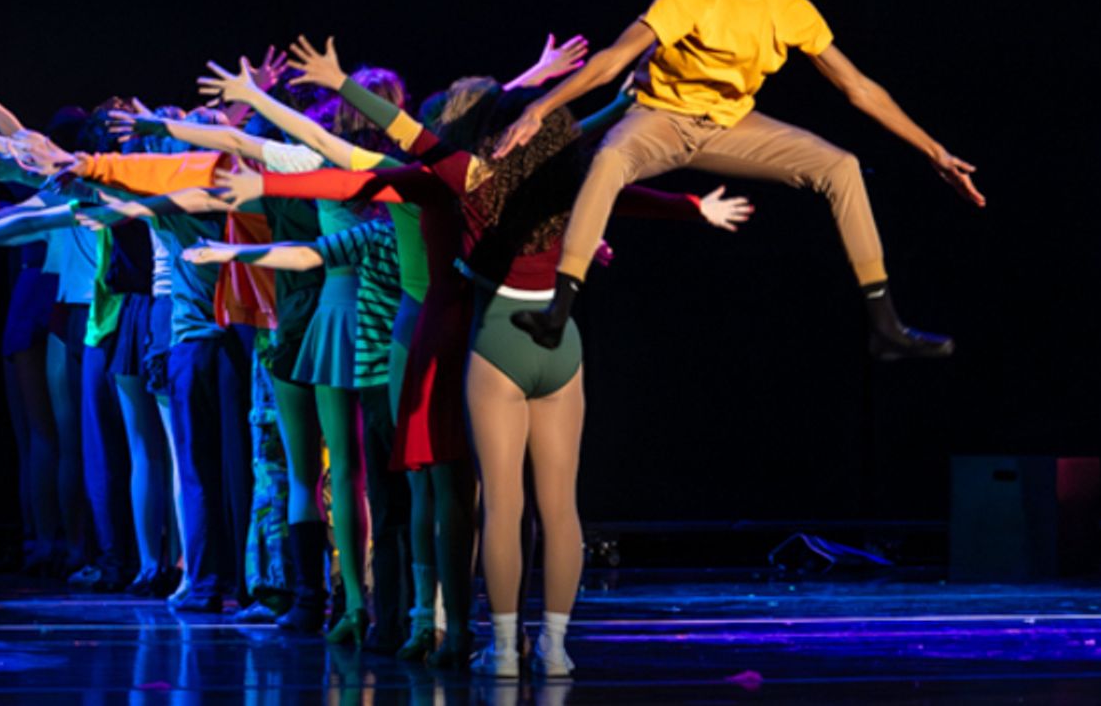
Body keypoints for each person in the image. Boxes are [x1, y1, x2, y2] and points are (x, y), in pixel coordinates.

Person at [218, 62, 751, 678]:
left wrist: (329, 97)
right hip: (560, 341)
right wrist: (693, 205)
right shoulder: (564, 176)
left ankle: (496, 645)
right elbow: (621, 190)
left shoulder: (464, 175)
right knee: (559, 508)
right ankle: (554, 646)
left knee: (497, 503)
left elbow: (377, 146)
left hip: (495, 338)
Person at [495, 0, 985, 359]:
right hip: (661, 118)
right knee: (609, 160)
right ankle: (557, 313)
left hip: (730, 126)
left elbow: (857, 86)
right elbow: (616, 57)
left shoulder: (786, 5)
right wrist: (539, 107)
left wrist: (935, 152)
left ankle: (885, 326)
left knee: (842, 166)